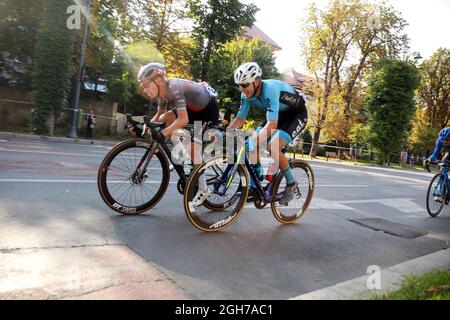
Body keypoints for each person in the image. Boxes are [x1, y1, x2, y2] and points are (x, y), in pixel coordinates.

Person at [134, 62, 220, 205]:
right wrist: (148, 126)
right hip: (193, 109)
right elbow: (160, 114)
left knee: (193, 148)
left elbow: (183, 119)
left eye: (146, 85)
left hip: (208, 110)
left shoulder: (174, 86)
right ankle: (181, 154)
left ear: (159, 79)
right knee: (164, 118)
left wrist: (164, 133)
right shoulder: (162, 94)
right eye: (143, 86)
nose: (144, 89)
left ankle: (204, 188)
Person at [227, 62, 308, 205]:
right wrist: (225, 133)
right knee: (253, 144)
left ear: (256, 81)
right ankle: (254, 183)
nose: (242, 89)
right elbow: (240, 119)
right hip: (278, 115)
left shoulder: (270, 89)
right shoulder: (245, 95)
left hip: (296, 115)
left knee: (272, 146)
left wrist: (254, 141)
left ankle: (291, 183)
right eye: (239, 85)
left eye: (245, 84)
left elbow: (272, 125)